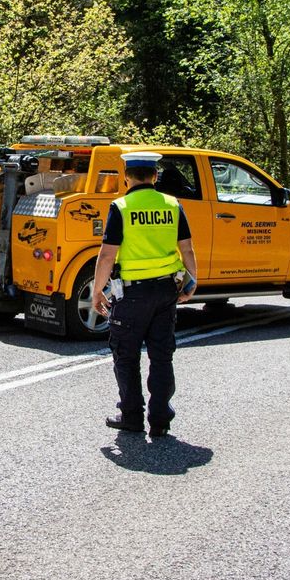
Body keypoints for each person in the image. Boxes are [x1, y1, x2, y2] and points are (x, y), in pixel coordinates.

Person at [92, 152, 199, 439]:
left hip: (131, 294)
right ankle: (161, 420)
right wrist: (192, 281)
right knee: (162, 356)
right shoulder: (172, 205)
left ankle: (131, 417)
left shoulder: (121, 207)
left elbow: (107, 256)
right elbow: (186, 248)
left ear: (127, 177)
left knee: (126, 356)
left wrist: (97, 291)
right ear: (154, 176)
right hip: (166, 290)